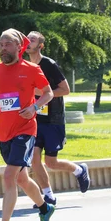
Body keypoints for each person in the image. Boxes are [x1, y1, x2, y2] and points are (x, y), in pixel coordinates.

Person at [0, 28, 55, 221]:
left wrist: (34, 108)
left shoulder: (31, 69)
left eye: (7, 44)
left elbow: (48, 93)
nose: (2, 48)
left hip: (25, 130)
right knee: (22, 178)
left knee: (9, 176)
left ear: (18, 46)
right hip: (5, 132)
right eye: (0, 44)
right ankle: (45, 208)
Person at [26, 31, 90, 208]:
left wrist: (40, 93)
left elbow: (65, 89)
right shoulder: (24, 66)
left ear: (40, 46)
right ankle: (48, 197)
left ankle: (79, 170)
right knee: (35, 160)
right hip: (35, 119)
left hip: (53, 119)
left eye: (32, 40)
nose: (28, 42)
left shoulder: (49, 64)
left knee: (51, 162)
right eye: (27, 39)